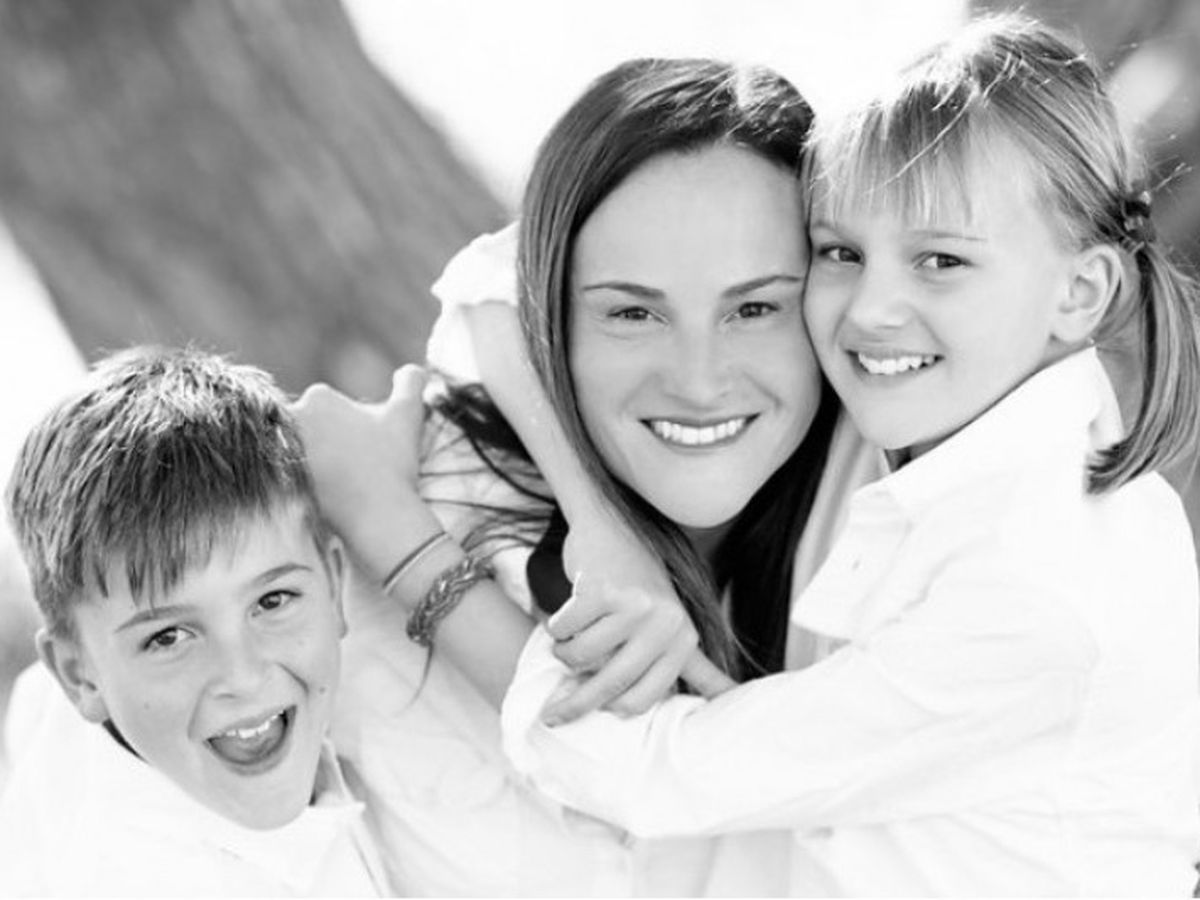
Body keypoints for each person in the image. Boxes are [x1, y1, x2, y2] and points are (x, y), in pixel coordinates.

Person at [485, 14, 1200, 896]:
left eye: (940, 260)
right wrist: (605, 531)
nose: (869, 310)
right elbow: (497, 276)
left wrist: (433, 570)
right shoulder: (945, 435)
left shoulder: (1037, 587)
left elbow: (650, 775)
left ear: (1080, 291)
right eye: (841, 252)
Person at [298, 57, 879, 895]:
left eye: (755, 308)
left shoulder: (894, 512)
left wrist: (417, 544)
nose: (700, 381)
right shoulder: (372, 547)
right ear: (550, 321)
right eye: (632, 312)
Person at [0, 346, 390, 897]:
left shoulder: (76, 698)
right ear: (78, 677)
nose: (243, 676)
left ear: (332, 583)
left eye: (272, 601)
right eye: (168, 637)